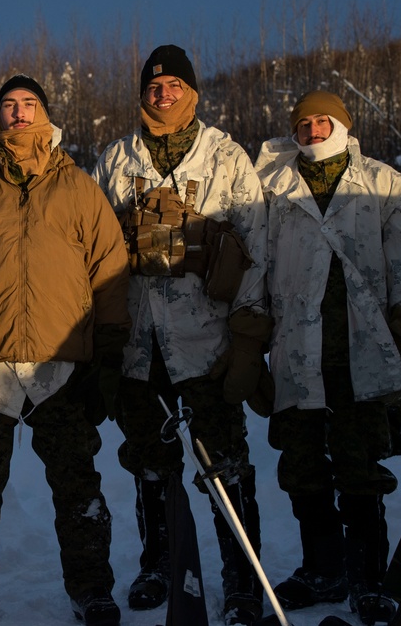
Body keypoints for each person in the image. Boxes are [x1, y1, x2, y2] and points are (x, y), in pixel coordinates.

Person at [0, 74, 131, 626]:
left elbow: (110, 274)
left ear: (45, 114)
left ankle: (92, 591)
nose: (19, 113)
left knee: (78, 489)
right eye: (9, 106)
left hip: (61, 365)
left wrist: (108, 355)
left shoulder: (80, 189)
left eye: (29, 104)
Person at [91, 45, 271, 626]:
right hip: (141, 343)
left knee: (227, 463)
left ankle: (242, 579)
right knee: (149, 459)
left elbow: (256, 251)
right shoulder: (117, 159)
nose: (161, 94)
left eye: (173, 85)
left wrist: (246, 341)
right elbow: (93, 250)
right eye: (152, 86)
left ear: (192, 93)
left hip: (206, 340)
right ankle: (158, 564)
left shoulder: (225, 156)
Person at [254, 90, 401, 625]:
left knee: (360, 467)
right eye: (303, 123)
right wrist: (252, 332)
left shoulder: (381, 181)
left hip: (363, 349)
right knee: (303, 467)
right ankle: (323, 570)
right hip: (297, 351)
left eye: (322, 121)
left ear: (344, 125)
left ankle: (369, 578)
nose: (311, 131)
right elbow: (257, 265)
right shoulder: (273, 187)